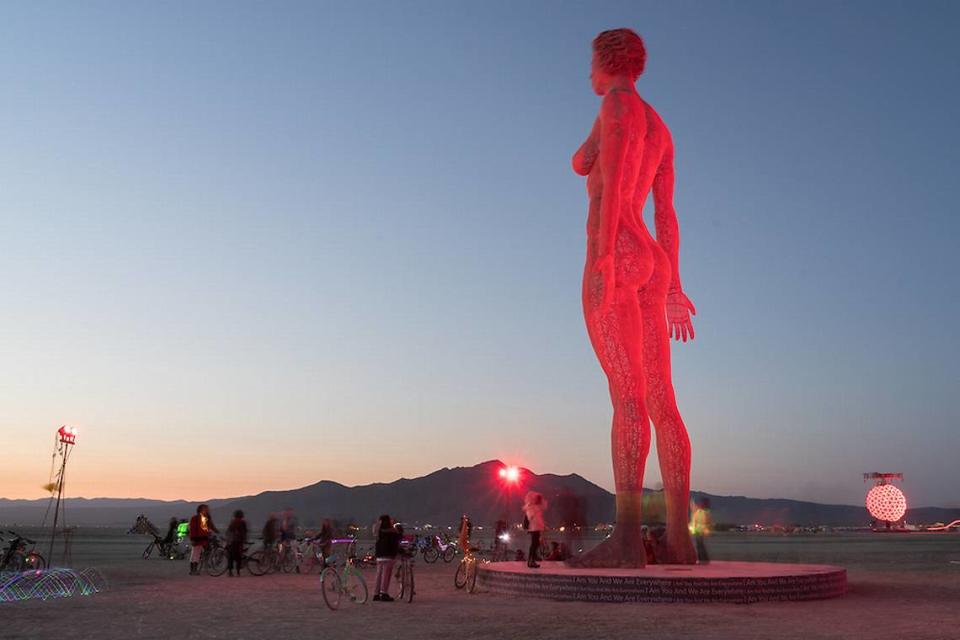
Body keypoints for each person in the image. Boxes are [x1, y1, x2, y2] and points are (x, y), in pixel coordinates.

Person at [572, 27, 698, 567]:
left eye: (591, 63)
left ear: (605, 60)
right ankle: (679, 538)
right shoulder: (660, 127)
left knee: (627, 394)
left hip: (617, 250)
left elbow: (615, 174)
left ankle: (626, 539)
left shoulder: (618, 107)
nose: (588, 74)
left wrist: (602, 256)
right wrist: (672, 283)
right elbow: (665, 213)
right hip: (651, 256)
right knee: (662, 400)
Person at [372, 514, 401, 602]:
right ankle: (384, 593)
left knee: (379, 575)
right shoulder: (392, 531)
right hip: (388, 555)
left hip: (379, 555)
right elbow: (397, 541)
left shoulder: (378, 531)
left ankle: (376, 594)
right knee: (386, 575)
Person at [188, 504, 218, 575]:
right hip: (198, 539)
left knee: (196, 554)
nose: (207, 510)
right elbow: (196, 529)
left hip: (199, 539)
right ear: (201, 510)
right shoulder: (198, 518)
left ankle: (194, 569)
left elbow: (205, 529)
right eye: (206, 509)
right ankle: (194, 570)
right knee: (196, 554)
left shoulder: (201, 518)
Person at [522, 492, 548, 568]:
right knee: (534, 545)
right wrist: (541, 525)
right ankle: (531, 561)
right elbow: (533, 518)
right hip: (534, 528)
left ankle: (531, 560)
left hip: (535, 528)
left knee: (535, 545)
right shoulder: (533, 508)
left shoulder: (533, 507)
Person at [691, 497, 712, 564]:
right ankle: (703, 559)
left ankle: (703, 559)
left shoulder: (705, 512)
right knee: (699, 545)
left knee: (700, 545)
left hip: (701, 531)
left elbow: (707, 522)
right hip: (698, 530)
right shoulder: (699, 512)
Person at [226, 510, 247, 576]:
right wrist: (244, 539)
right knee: (238, 557)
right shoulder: (241, 522)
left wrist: (228, 540)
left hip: (233, 542)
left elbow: (228, 532)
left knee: (231, 557)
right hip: (238, 542)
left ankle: (231, 572)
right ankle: (237, 572)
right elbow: (245, 532)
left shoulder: (233, 522)